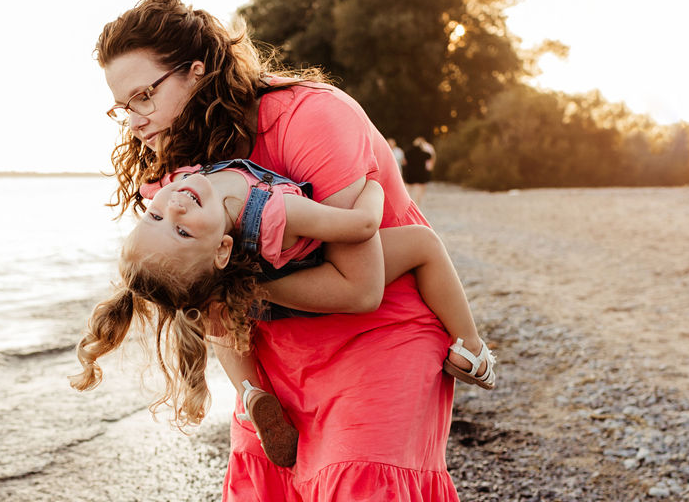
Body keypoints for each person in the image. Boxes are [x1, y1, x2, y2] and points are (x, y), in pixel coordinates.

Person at [88, 0, 474, 502]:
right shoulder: (171, 167)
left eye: (146, 96)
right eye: (122, 107)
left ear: (198, 72)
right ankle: (252, 397)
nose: (136, 120)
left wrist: (239, 292)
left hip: (380, 327)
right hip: (274, 344)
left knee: (360, 495)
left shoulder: (310, 118)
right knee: (273, 501)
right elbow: (186, 272)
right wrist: (218, 297)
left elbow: (362, 284)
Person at [70, 159, 495, 468]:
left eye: (155, 215)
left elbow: (164, 208)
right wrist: (372, 182)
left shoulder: (181, 193)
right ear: (222, 249)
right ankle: (470, 350)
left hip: (247, 300)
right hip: (308, 281)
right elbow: (360, 227)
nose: (175, 207)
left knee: (208, 305)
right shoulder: (271, 213)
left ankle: (251, 391)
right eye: (180, 230)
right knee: (424, 244)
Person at [405, 136, 437, 203]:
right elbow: (430, 156)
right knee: (419, 190)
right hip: (420, 174)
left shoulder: (408, 152)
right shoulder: (423, 153)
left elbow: (404, 161)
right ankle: (416, 204)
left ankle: (406, 202)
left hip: (410, 173)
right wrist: (423, 148)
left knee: (408, 189)